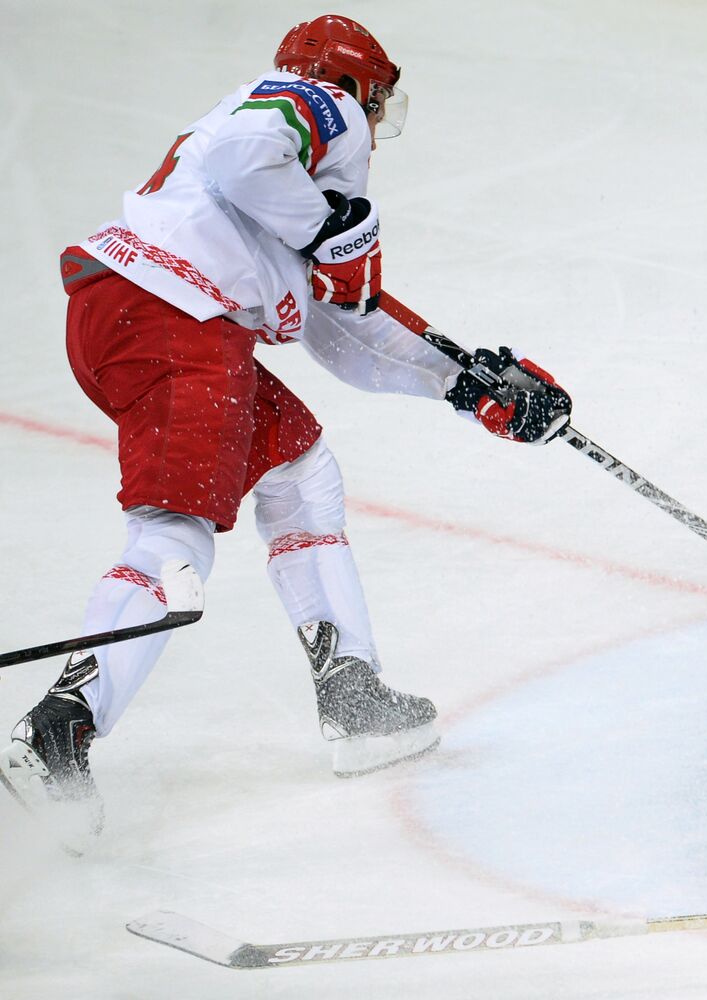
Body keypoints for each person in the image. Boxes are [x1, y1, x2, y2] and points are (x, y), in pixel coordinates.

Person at [1, 15, 572, 854]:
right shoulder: (319, 103)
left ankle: (353, 693)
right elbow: (246, 157)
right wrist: (325, 229)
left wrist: (465, 385)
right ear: (364, 88)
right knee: (173, 533)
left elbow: (345, 334)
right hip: (175, 323)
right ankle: (60, 728)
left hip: (140, 317)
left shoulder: (293, 182)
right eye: (383, 106)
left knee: (300, 473)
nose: (380, 126)